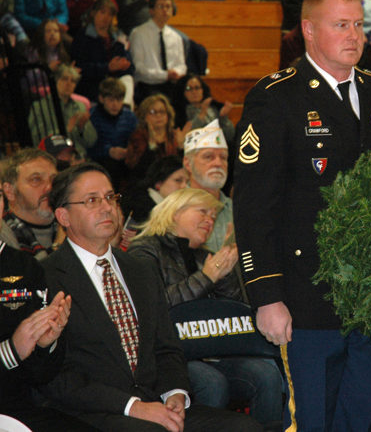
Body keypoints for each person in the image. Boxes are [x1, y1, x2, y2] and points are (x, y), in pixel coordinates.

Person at [233, 0, 371, 431]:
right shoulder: (276, 97)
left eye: (359, 25)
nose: (354, 35)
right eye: (340, 25)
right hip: (307, 297)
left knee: (360, 419)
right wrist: (266, 294)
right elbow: (253, 206)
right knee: (313, 422)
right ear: (308, 29)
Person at [38, 162, 262, 431]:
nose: (107, 207)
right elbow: (54, 375)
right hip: (90, 412)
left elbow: (166, 347)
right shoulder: (46, 276)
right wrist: (132, 406)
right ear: (63, 217)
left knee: (243, 428)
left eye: (110, 197)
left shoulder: (138, 269)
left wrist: (175, 393)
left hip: (154, 402)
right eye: (91, 200)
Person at [128, 187, 285, 428]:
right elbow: (152, 306)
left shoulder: (205, 256)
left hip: (211, 349)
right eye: (202, 212)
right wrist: (207, 276)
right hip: (169, 357)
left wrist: (226, 274)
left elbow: (236, 309)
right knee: (211, 382)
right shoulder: (145, 249)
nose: (209, 220)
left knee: (267, 375)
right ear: (174, 213)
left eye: (213, 216)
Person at [0, 189, 84, 431]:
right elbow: (15, 350)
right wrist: (10, 351)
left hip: (17, 407)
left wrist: (46, 343)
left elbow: (42, 375)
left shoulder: (25, 266)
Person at [70, 0, 134, 103]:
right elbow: (80, 67)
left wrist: (124, 65)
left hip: (115, 83)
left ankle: (124, 109)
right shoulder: (83, 36)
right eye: (102, 12)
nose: (106, 17)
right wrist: (107, 68)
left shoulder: (118, 36)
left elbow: (130, 65)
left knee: (128, 79)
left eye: (110, 14)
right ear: (94, 13)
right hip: (92, 85)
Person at [1, 148, 59, 259]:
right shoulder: (3, 236)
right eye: (36, 179)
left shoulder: (70, 223)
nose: (49, 187)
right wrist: (59, 246)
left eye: (54, 179)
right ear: (10, 191)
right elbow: (28, 275)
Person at [183, 120, 231, 253]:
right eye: (209, 157)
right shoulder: (173, 211)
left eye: (223, 157)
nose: (218, 163)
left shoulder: (238, 210)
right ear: (188, 164)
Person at [129, 0, 187, 101]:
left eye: (168, 7)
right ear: (151, 11)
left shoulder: (176, 37)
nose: (165, 10)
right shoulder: (139, 33)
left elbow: (182, 65)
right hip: (148, 84)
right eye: (161, 6)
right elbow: (139, 67)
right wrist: (164, 75)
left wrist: (176, 73)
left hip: (171, 84)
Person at [28, 64, 97, 155]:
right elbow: (36, 139)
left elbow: (91, 142)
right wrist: (66, 130)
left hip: (78, 156)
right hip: (53, 157)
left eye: (73, 81)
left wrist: (82, 128)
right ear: (56, 81)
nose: (68, 83)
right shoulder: (39, 107)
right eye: (64, 79)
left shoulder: (80, 106)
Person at [86, 77, 138, 188]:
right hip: (101, 161)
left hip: (126, 159)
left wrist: (128, 151)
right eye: (111, 100)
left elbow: (136, 140)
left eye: (119, 100)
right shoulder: (92, 116)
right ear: (101, 99)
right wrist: (109, 151)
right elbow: (89, 145)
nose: (115, 104)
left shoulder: (130, 117)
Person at [125, 94, 183, 179]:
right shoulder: (138, 137)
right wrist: (151, 146)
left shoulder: (174, 136)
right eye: (152, 112)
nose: (158, 115)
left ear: (168, 115)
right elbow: (136, 169)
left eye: (162, 111)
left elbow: (182, 167)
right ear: (144, 116)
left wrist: (182, 148)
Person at [120, 155, 187, 224]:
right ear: (158, 183)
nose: (184, 186)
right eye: (178, 180)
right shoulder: (139, 209)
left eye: (187, 182)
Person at [172, 73, 235, 143]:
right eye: (188, 88)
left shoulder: (214, 108)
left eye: (197, 88)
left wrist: (224, 118)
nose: (194, 92)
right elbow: (189, 138)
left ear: (203, 90)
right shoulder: (179, 113)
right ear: (182, 91)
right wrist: (201, 114)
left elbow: (229, 136)